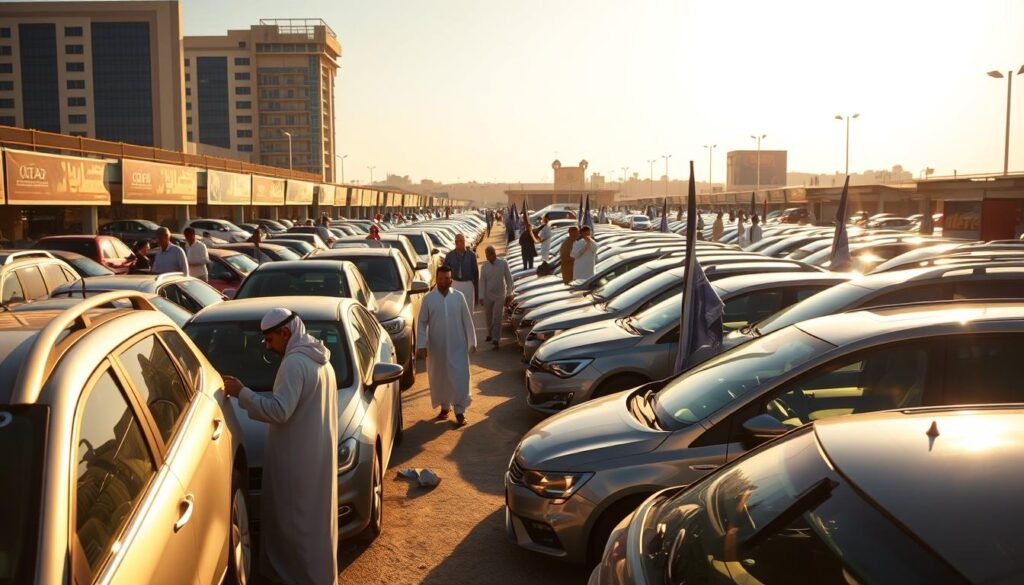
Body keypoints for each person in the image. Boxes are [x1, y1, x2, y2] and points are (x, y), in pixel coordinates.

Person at [222, 309, 338, 585]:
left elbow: (279, 411)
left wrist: (242, 393)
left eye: (270, 339)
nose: (267, 346)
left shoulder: (295, 363)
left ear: (285, 333)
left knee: (297, 529)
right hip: (315, 460)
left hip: (297, 465)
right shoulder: (319, 359)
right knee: (315, 529)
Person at [416, 266, 477, 426]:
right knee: (440, 378)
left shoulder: (459, 297)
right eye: (441, 279)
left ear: (451, 280)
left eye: (447, 279)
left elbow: (467, 320)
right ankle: (444, 407)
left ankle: (459, 411)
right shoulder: (428, 299)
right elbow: (421, 323)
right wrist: (421, 345)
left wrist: (472, 342)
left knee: (460, 377)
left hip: (458, 345)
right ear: (436, 279)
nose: (444, 282)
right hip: (437, 348)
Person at [479, 245, 514, 349]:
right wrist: (481, 296)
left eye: (488, 255)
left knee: (497, 317)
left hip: (500, 295)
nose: (487, 257)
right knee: (488, 317)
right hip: (488, 295)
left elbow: (509, 279)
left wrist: (509, 293)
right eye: (486, 255)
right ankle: (490, 334)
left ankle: (496, 339)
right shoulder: (484, 266)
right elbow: (482, 282)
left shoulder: (503, 263)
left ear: (493, 254)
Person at [443, 234, 479, 309]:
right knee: (456, 309)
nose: (459, 243)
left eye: (461, 241)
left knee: (468, 310)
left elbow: (476, 274)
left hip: (468, 284)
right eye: (457, 241)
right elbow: (444, 272)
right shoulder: (450, 256)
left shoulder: (471, 255)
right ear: (455, 243)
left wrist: (477, 294)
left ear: (464, 242)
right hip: (455, 284)